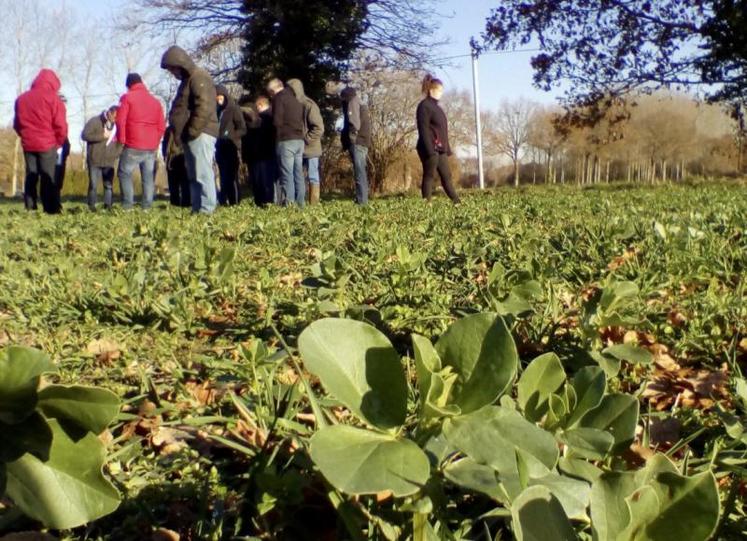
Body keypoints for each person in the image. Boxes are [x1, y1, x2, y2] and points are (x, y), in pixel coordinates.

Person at [161, 45, 220, 214]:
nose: (172, 72)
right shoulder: (187, 81)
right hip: (189, 135)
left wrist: (193, 131)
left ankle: (207, 208)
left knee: (202, 172)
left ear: (180, 63)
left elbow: (204, 106)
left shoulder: (199, 77)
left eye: (173, 68)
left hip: (201, 133)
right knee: (193, 175)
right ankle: (197, 207)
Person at [13, 69, 68, 214]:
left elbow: (17, 124)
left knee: (31, 174)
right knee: (47, 175)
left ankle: (30, 206)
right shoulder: (54, 99)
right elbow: (60, 125)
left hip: (28, 143)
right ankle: (50, 208)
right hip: (47, 143)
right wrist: (59, 142)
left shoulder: (21, 99)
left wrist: (25, 135)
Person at [116, 73, 166, 210]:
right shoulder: (155, 102)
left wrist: (122, 139)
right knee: (148, 176)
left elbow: (120, 121)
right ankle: (146, 207)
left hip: (133, 143)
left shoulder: (127, 98)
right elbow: (161, 126)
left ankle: (127, 205)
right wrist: (155, 141)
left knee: (124, 172)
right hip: (150, 147)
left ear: (129, 85)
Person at [416, 74, 460, 204]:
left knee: (447, 176)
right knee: (429, 175)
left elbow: (442, 131)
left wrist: (447, 149)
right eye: (439, 90)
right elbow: (423, 128)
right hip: (429, 148)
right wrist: (429, 150)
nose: (441, 93)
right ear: (431, 90)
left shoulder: (438, 108)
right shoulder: (424, 106)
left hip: (440, 149)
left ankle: (457, 202)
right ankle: (426, 203)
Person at [267, 78, 305, 207]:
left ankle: (289, 203)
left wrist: (276, 139)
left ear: (273, 90)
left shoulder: (279, 98)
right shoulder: (296, 99)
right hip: (299, 140)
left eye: (270, 93)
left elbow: (277, 121)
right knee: (298, 173)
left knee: (287, 174)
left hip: (286, 140)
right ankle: (301, 203)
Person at [287, 79, 324, 204]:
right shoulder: (291, 106)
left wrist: (306, 140)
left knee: (313, 176)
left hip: (311, 148)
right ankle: (299, 202)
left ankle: (314, 203)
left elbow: (319, 128)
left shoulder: (309, 105)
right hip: (298, 147)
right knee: (297, 175)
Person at [81, 105, 121, 211]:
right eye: (115, 116)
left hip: (109, 160)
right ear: (109, 112)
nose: (115, 119)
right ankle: (91, 206)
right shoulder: (94, 121)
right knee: (93, 185)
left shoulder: (118, 126)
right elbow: (84, 135)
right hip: (94, 159)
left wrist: (116, 153)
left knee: (108, 185)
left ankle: (108, 206)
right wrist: (101, 137)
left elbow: (121, 142)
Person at [215, 85, 247, 206]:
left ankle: (235, 202)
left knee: (232, 176)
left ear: (225, 96)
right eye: (216, 98)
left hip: (231, 146)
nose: (218, 100)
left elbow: (242, 128)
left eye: (220, 97)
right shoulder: (217, 111)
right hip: (220, 147)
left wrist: (232, 136)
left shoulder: (234, 109)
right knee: (223, 176)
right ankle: (223, 200)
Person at [340, 87, 371, 205]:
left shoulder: (352, 102)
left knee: (359, 172)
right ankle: (362, 199)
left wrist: (351, 140)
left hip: (358, 142)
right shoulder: (360, 102)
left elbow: (354, 124)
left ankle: (362, 201)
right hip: (363, 141)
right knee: (361, 171)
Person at [162, 127, 190, 208]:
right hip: (185, 158)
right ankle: (186, 203)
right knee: (185, 183)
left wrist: (165, 157)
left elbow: (165, 146)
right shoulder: (188, 126)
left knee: (173, 184)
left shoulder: (170, 129)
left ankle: (175, 204)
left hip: (172, 158)